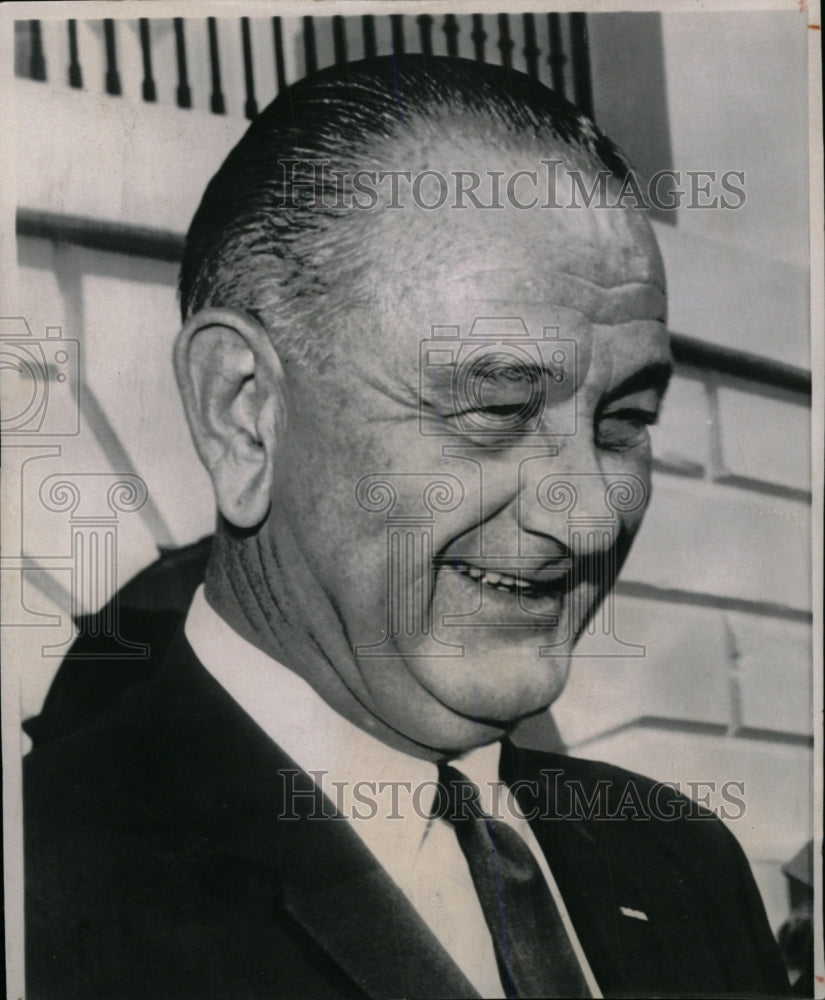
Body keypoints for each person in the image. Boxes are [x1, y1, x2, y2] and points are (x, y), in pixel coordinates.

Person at [24, 55, 791, 999]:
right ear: (243, 413)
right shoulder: (46, 894)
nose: (589, 514)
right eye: (494, 410)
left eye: (623, 422)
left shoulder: (685, 866)